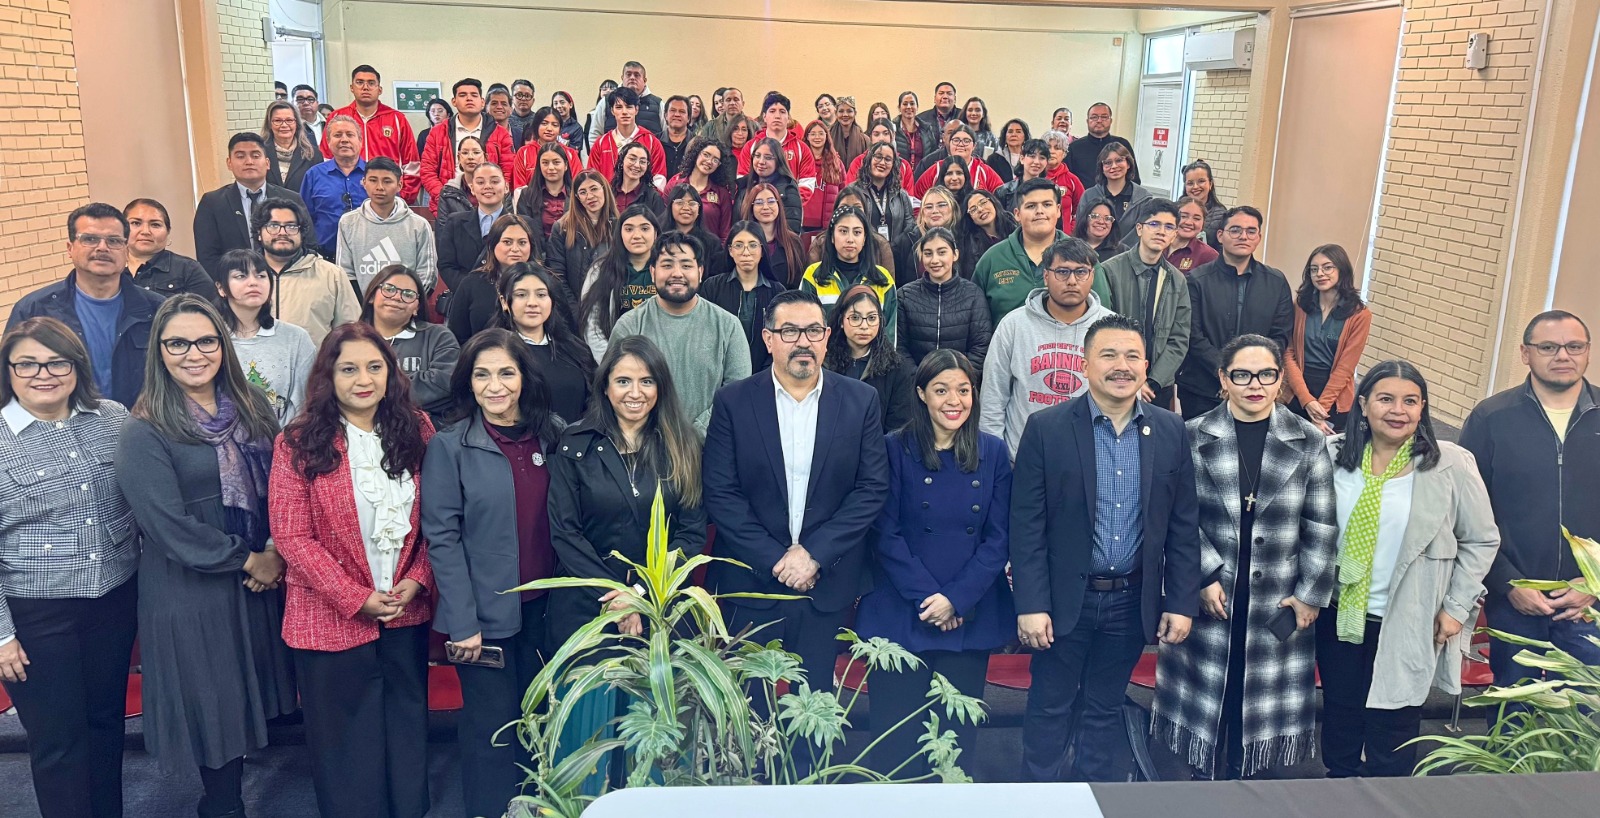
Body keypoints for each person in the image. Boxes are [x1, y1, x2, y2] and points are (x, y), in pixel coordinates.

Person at [117, 295, 297, 818]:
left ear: (223, 344)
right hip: (192, 583)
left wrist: (273, 549)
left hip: (257, 571)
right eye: (177, 343)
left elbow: (281, 484)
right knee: (213, 701)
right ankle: (221, 807)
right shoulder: (145, 428)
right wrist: (249, 560)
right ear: (159, 350)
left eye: (205, 341)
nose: (193, 354)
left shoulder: (252, 405)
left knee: (245, 694)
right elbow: (166, 525)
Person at [1010, 312, 1199, 782]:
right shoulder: (1047, 428)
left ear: (1146, 365)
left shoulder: (1171, 431)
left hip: (1130, 602)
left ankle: (1092, 795)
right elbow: (1026, 526)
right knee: (1050, 706)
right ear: (1084, 364)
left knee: (1104, 709)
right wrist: (1031, 604)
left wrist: (1180, 602)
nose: (1121, 366)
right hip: (1063, 602)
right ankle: (1036, 798)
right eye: (1108, 355)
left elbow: (1182, 526)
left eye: (1132, 356)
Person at [1152, 334, 1338, 780]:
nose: (1255, 385)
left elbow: (1321, 524)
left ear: (1280, 381)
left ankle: (1250, 778)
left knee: (1256, 697)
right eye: (1242, 375)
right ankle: (1204, 773)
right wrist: (1201, 575)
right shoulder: (1191, 435)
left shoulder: (1308, 441)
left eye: (1266, 375)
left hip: (1279, 595)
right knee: (1210, 692)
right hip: (1212, 591)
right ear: (1223, 379)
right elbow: (1176, 516)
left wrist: (1310, 595)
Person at [268, 321, 435, 818]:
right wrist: (354, 597)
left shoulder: (418, 428)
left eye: (374, 367)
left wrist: (418, 579)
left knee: (405, 731)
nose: (364, 379)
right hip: (328, 618)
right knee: (345, 746)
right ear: (328, 376)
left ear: (390, 373)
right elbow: (292, 537)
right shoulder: (298, 441)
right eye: (349, 369)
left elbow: (442, 519)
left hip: (404, 611)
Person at [704, 289, 890, 700]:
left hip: (825, 585)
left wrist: (814, 555)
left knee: (814, 710)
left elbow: (871, 488)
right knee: (750, 713)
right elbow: (721, 493)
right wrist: (777, 559)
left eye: (812, 331)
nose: (803, 342)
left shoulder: (861, 400)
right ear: (768, 339)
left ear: (827, 337)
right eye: (789, 331)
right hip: (751, 584)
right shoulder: (733, 402)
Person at [1318, 360, 1499, 777]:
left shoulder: (1451, 464)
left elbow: (1481, 540)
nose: (1398, 410)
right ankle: (1337, 791)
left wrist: (1456, 608)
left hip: (1410, 617)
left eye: (1410, 401)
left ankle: (1387, 798)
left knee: (1394, 724)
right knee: (1341, 715)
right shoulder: (1332, 456)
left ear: (1422, 409)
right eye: (1386, 399)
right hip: (1339, 613)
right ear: (1363, 404)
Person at [0, 317, 139, 818]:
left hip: (114, 603)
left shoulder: (111, 419)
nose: (44, 374)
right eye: (27, 364)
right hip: (37, 617)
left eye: (57, 362)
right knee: (58, 741)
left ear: (77, 366)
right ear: (8, 371)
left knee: (106, 725)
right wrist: (1, 636)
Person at [421, 329, 562, 818]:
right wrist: (463, 623)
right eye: (482, 375)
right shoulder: (450, 446)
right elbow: (442, 539)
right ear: (468, 382)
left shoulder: (554, 435)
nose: (495, 385)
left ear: (524, 378)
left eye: (506, 373)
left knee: (543, 720)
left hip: (548, 611)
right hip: (482, 619)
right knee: (491, 731)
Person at [852, 348, 1011, 777]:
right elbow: (884, 533)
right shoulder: (893, 448)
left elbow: (999, 538)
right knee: (895, 745)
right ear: (921, 394)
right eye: (941, 390)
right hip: (901, 612)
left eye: (963, 390)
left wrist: (956, 600)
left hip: (969, 615)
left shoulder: (993, 452)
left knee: (955, 749)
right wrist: (931, 599)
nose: (954, 401)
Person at [1459, 310, 1600, 687]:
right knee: (1513, 708)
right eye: (1548, 347)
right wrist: (1507, 583)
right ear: (1525, 353)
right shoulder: (1491, 418)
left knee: (1584, 711)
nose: (1563, 355)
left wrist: (1593, 582)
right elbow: (1465, 512)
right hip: (1514, 601)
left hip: (1589, 604)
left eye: (1574, 346)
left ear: (1588, 352)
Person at [7, 202, 165, 406]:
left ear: (126, 250)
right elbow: (10, 381)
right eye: (90, 239)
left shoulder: (156, 309)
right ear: (70, 248)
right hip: (63, 422)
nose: (102, 248)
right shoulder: (34, 310)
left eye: (114, 241)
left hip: (141, 422)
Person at [607, 230, 752, 436]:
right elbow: (615, 387)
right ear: (653, 272)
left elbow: (737, 392)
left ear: (700, 272)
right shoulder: (630, 326)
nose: (677, 273)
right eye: (667, 265)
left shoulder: (728, 326)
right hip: (644, 443)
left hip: (709, 443)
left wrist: (695, 434)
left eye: (686, 265)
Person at [980, 237, 1112, 458]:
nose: (1072, 281)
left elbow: (1125, 402)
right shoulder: (1014, 325)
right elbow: (993, 398)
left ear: (1092, 276)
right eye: (1062, 272)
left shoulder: (1111, 330)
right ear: (1046, 276)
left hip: (1090, 461)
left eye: (1081, 272)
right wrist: (995, 459)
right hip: (1023, 459)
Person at [1177, 206, 1294, 419]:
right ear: (1220, 236)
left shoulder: (1276, 282)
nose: (1243, 236)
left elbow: (1280, 335)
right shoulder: (1197, 280)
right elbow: (1192, 335)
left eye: (1251, 231)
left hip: (1256, 389)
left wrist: (1250, 371)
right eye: (1235, 230)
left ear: (1259, 237)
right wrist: (1227, 369)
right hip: (1202, 389)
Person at [1097, 199, 1190, 408]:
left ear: (1175, 234)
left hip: (1157, 388)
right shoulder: (1109, 271)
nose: (1161, 232)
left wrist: (1153, 381)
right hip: (1116, 379)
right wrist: (1131, 378)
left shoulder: (1177, 280)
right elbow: (1103, 331)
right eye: (1154, 224)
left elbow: (1179, 338)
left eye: (1169, 227)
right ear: (1139, 229)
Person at [211, 248, 316, 422]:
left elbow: (306, 404)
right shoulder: (210, 338)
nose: (253, 283)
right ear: (221, 288)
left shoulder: (295, 338)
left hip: (283, 436)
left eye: (261, 276)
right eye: (241, 276)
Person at [1285, 244, 1370, 434]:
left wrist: (1319, 411)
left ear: (1342, 269)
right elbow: (1288, 354)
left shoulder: (1360, 315)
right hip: (1298, 392)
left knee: (1326, 450)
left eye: (1327, 267)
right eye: (1314, 269)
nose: (1320, 274)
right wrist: (1307, 400)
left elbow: (1345, 368)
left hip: (1334, 399)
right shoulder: (1301, 305)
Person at [493, 262, 594, 422]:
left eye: (541, 295)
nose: (532, 303)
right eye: (521, 295)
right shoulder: (495, 352)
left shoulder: (576, 348)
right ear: (504, 301)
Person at [253, 197, 362, 345]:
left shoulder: (331, 275)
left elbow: (352, 332)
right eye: (273, 225)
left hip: (316, 360)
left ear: (302, 233)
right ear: (259, 232)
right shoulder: (243, 276)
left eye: (291, 226)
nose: (282, 232)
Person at [194, 132, 305, 275]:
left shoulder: (291, 199)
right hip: (234, 281)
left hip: (287, 278)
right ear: (229, 163)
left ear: (267, 163)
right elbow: (207, 256)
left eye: (255, 156)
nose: (249, 162)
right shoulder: (212, 203)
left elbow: (308, 244)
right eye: (240, 156)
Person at [363, 264, 459, 422]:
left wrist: (373, 392)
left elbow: (443, 385)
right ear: (372, 296)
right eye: (389, 289)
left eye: (408, 294)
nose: (397, 297)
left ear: (417, 307)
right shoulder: (350, 340)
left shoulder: (439, 337)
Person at [972, 178, 1068, 327]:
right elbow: (975, 321)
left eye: (1047, 204)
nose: (1040, 211)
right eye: (1031, 206)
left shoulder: (1082, 257)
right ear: (1017, 214)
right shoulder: (992, 259)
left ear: (1058, 210)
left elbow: (1100, 317)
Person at [319, 65, 421, 201]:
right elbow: (326, 158)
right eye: (360, 82)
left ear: (379, 89)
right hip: (345, 194)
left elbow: (412, 164)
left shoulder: (397, 119)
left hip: (387, 195)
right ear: (352, 88)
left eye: (371, 83)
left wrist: (403, 197)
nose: (365, 87)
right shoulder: (337, 118)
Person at [337, 157, 438, 294]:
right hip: (361, 305)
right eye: (373, 180)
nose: (379, 187)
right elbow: (345, 272)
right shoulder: (348, 222)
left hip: (406, 303)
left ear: (399, 185)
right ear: (364, 182)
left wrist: (404, 301)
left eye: (387, 181)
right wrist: (364, 305)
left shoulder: (419, 225)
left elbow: (427, 273)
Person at [898, 227, 991, 370]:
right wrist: (918, 378)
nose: (935, 260)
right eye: (928, 253)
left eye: (942, 252)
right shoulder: (905, 295)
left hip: (961, 380)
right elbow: (899, 347)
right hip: (916, 380)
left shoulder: (973, 295)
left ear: (955, 254)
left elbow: (981, 347)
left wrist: (958, 378)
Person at [801, 205, 898, 342]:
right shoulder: (813, 275)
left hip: (873, 355)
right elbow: (805, 325)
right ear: (832, 236)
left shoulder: (883, 278)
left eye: (857, 232)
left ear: (864, 238)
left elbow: (889, 333)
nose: (850, 239)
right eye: (843, 231)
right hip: (826, 355)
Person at [824, 287, 916, 431]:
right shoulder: (825, 364)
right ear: (841, 320)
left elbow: (899, 428)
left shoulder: (897, 368)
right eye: (855, 318)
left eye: (872, 318)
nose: (864, 326)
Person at [701, 220, 787, 373]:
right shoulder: (712, 287)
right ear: (730, 251)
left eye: (753, 245)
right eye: (739, 245)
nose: (746, 252)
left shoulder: (777, 292)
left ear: (762, 250)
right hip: (720, 374)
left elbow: (782, 338)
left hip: (765, 375)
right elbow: (703, 335)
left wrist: (765, 374)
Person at [421, 78, 516, 215]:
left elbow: (508, 170)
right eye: (463, 95)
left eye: (474, 95)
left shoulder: (500, 133)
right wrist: (445, 196)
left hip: (490, 205)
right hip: (449, 206)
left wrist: (493, 195)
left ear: (482, 102)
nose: (469, 99)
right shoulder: (438, 132)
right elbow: (427, 170)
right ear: (454, 101)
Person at [577, 204, 660, 360]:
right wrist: (611, 363)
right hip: (616, 357)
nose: (637, 235)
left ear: (655, 233)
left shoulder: (666, 268)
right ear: (619, 233)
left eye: (644, 228)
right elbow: (592, 324)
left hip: (660, 357)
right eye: (629, 229)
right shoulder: (601, 269)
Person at [447, 214, 536, 343]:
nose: (515, 249)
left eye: (522, 242)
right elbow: (456, 336)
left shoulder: (546, 283)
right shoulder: (471, 283)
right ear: (492, 245)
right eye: (507, 242)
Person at [300, 115, 368, 260]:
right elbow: (304, 219)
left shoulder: (375, 174)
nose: (344, 140)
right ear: (328, 142)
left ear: (360, 141)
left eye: (350, 135)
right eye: (337, 135)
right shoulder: (314, 175)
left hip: (369, 256)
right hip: (325, 258)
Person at [437, 162, 512, 292]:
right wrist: (469, 290)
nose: (487, 186)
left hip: (509, 295)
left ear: (506, 187)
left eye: (494, 181)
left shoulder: (522, 225)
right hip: (465, 296)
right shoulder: (455, 222)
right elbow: (446, 265)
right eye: (480, 182)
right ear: (472, 188)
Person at [546, 170, 617, 297]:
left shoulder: (619, 226)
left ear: (604, 189)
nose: (590, 196)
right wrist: (574, 308)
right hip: (574, 304)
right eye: (583, 192)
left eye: (594, 189)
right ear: (577, 197)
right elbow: (557, 276)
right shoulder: (562, 228)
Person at [737, 93, 819, 201]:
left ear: (788, 118)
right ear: (764, 117)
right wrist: (759, 202)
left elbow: (807, 183)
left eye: (782, 111)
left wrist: (789, 203)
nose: (777, 116)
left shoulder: (802, 148)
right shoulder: (751, 146)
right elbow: (743, 180)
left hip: (790, 208)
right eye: (772, 111)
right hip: (758, 206)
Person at [125, 198, 213, 298]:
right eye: (136, 223)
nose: (145, 231)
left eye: (155, 225)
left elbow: (209, 306)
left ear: (168, 231)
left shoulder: (188, 270)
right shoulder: (111, 268)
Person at [1076, 143, 1157, 249]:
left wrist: (1119, 251)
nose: (1114, 166)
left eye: (1119, 160)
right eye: (1108, 163)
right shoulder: (1089, 195)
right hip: (1092, 253)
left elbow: (1143, 232)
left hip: (1130, 254)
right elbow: (1081, 228)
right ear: (1102, 168)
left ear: (1128, 164)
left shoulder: (1144, 199)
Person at [587, 86, 668, 191]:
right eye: (619, 107)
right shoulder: (601, 143)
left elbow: (659, 179)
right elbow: (592, 178)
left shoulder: (652, 142)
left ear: (636, 109)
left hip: (642, 200)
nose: (624, 112)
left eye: (629, 107)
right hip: (608, 200)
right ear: (612, 111)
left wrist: (645, 198)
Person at [739, 180, 808, 288]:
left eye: (771, 201)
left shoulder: (793, 242)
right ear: (751, 207)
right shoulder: (740, 242)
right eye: (759, 202)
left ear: (778, 205)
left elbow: (798, 282)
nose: (766, 207)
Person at [665, 137, 737, 239]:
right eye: (706, 155)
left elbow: (725, 234)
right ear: (696, 154)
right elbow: (664, 222)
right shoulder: (674, 185)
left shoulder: (722, 193)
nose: (709, 161)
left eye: (715, 160)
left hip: (710, 247)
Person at [734, 136, 805, 235]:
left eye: (768, 158)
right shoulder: (744, 186)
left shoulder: (788, 189)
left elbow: (791, 232)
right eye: (757, 156)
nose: (761, 162)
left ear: (778, 161)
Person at [854, 141, 917, 247]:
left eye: (888, 159)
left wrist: (894, 248)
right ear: (869, 159)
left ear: (893, 165)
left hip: (894, 253)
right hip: (863, 252)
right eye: (878, 157)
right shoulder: (853, 192)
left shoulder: (901, 195)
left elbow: (909, 229)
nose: (882, 163)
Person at [589, 60, 664, 143]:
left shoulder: (658, 104)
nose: (632, 78)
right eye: (628, 74)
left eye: (637, 75)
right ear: (622, 78)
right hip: (611, 151)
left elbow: (666, 136)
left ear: (644, 80)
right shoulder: (606, 102)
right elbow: (595, 134)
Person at [515, 141, 576, 244]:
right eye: (545, 163)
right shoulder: (527, 195)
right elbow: (524, 232)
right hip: (538, 252)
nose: (551, 168)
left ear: (565, 165)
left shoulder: (577, 195)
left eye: (556, 162)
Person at [894, 185, 962, 278]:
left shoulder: (966, 237)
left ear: (953, 208)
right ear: (922, 213)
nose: (935, 211)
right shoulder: (906, 241)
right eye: (929, 207)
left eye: (941, 205)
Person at [1065, 103, 1137, 189]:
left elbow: (1134, 178)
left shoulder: (1123, 145)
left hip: (1119, 196)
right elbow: (1067, 180)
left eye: (1104, 117)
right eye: (1094, 117)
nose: (1099, 120)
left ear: (1111, 121)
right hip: (1084, 196)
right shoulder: (1074, 148)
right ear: (1087, 121)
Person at [913, 125, 1002, 195]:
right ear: (949, 144)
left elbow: (1002, 196)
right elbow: (917, 197)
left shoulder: (984, 171)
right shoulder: (936, 169)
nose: (960, 144)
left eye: (966, 141)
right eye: (956, 140)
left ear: (974, 146)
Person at [664, 184, 729, 278]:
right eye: (680, 202)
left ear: (699, 209)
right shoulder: (659, 239)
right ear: (670, 206)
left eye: (692, 203)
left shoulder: (712, 243)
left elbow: (716, 280)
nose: (686, 208)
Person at [511, 107, 583, 190]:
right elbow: (519, 188)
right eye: (544, 123)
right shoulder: (524, 153)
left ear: (560, 129)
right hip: (530, 198)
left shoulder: (570, 154)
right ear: (536, 126)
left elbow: (579, 185)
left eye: (555, 125)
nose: (549, 129)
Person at [845, 120, 919, 198]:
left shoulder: (904, 165)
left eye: (885, 133)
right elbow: (849, 195)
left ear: (892, 136)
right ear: (870, 137)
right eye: (876, 134)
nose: (881, 138)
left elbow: (909, 198)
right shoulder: (859, 162)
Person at [958, 189, 1015, 281]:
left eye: (983, 202)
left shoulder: (1014, 226)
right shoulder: (970, 244)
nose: (980, 209)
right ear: (970, 218)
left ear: (993, 202)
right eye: (973, 209)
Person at [264, 100, 319, 194]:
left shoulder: (313, 154)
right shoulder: (260, 153)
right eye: (278, 121)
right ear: (269, 124)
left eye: (289, 120)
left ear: (296, 123)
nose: (284, 125)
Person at [802, 120, 845, 237]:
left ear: (827, 136)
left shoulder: (836, 163)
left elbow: (843, 192)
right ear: (807, 137)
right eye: (813, 134)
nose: (817, 137)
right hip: (802, 223)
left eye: (821, 133)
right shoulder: (800, 161)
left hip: (827, 224)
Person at [435, 135, 488, 221]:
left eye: (476, 152)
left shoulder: (498, 188)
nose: (470, 157)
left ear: (486, 157)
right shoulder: (448, 191)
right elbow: (443, 226)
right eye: (465, 153)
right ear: (458, 158)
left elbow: (507, 222)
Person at [611, 141, 667, 220]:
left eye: (642, 162)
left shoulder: (653, 198)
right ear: (622, 160)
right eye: (632, 159)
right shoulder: (609, 193)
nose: (637, 165)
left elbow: (660, 226)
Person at [1041, 130, 1087, 221]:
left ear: (1064, 153)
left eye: (1057, 148)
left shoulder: (1072, 180)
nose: (1051, 151)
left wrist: (1071, 227)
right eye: (1048, 147)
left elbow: (1083, 210)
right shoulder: (1034, 177)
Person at [1168, 196, 1220, 274]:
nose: (1189, 222)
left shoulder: (1209, 256)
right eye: (1183, 216)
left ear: (1203, 223)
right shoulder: (1159, 243)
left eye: (1196, 218)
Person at [1183, 160, 1228, 245]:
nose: (1195, 187)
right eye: (1190, 183)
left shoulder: (1222, 215)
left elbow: (1222, 248)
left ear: (1210, 184)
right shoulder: (1174, 210)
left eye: (1201, 181)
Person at [894, 91, 937, 168]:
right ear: (899, 108)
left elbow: (933, 154)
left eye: (912, 103)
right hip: (900, 173)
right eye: (905, 104)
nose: (909, 107)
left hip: (923, 173)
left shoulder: (926, 129)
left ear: (917, 107)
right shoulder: (893, 129)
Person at [830, 94, 869, 168]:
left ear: (855, 113)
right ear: (836, 113)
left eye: (849, 111)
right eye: (841, 111)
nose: (845, 114)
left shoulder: (865, 140)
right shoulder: (828, 137)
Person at [660, 95, 694, 176]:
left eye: (682, 111)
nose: (677, 114)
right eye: (673, 110)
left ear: (689, 118)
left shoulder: (696, 143)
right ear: (666, 115)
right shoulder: (655, 141)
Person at [583, 79, 618, 148]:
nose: (608, 91)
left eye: (612, 88)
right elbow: (588, 136)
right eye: (604, 89)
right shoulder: (592, 114)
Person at [507, 79, 539, 149]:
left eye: (527, 96)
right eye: (519, 95)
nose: (523, 99)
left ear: (533, 100)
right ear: (512, 99)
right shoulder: (505, 120)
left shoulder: (538, 120)